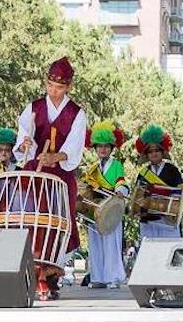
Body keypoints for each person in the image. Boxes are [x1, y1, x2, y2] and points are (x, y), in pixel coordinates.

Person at [13, 56, 87, 300]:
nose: (54, 92)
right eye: (50, 86)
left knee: (60, 221)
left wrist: (56, 157)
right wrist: (25, 144)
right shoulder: (33, 108)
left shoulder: (77, 113)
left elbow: (75, 148)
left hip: (62, 175)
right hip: (37, 173)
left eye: (60, 88)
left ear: (68, 87)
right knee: (34, 220)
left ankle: (52, 276)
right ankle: (33, 273)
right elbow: (25, 138)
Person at [82, 120, 129, 289]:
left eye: (106, 146)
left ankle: (113, 278)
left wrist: (121, 191)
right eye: (99, 146)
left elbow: (121, 182)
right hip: (95, 209)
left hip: (111, 208)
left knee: (112, 243)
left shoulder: (116, 165)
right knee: (95, 243)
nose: (103, 149)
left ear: (111, 148)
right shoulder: (92, 168)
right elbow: (85, 188)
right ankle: (98, 277)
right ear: (94, 148)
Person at [133, 124, 183, 239]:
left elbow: (181, 192)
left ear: (162, 152)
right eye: (150, 152)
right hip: (148, 220)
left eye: (157, 150)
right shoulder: (143, 173)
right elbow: (138, 195)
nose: (154, 153)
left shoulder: (172, 169)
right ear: (147, 155)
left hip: (167, 220)